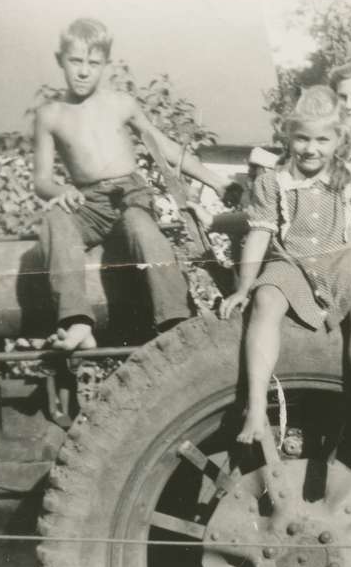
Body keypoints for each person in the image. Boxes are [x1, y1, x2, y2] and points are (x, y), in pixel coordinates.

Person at [211, 86, 351, 450]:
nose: (311, 149)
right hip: (291, 261)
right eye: (302, 139)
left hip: (342, 259)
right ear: (289, 137)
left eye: (321, 140)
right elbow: (259, 236)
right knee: (265, 301)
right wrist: (244, 286)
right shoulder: (273, 182)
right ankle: (254, 406)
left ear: (338, 140)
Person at [34, 18, 235, 350]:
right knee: (54, 219)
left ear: (105, 65)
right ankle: (78, 322)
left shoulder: (120, 103)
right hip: (86, 205)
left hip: (130, 195)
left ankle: (176, 321)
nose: (83, 71)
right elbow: (41, 180)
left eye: (93, 63)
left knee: (141, 227)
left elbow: (165, 147)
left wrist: (216, 181)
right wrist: (60, 191)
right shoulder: (51, 114)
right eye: (75, 61)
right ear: (60, 60)